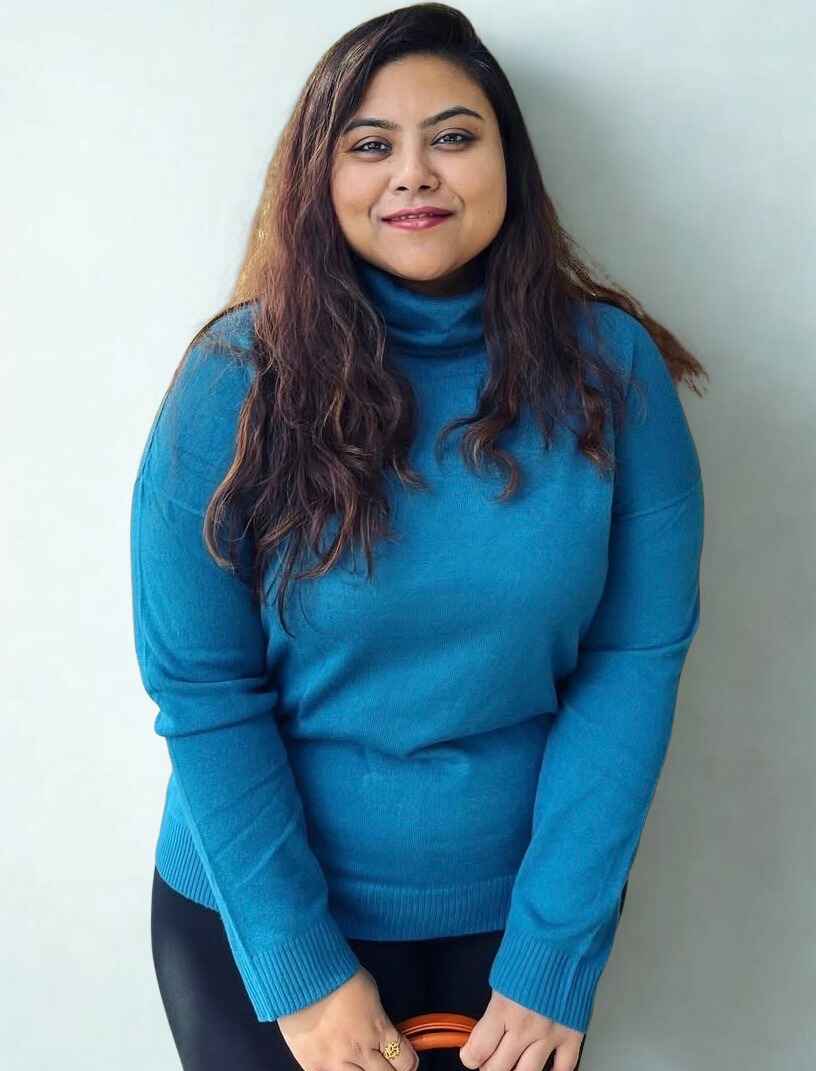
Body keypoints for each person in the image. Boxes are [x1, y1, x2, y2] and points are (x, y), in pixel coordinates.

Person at [130, 5, 707, 1070]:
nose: (414, 174)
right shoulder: (234, 381)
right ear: (320, 175)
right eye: (370, 144)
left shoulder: (612, 372)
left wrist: (552, 956)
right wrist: (305, 976)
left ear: (507, 160)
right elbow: (203, 690)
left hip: (519, 932)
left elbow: (634, 661)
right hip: (258, 925)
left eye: (452, 135)